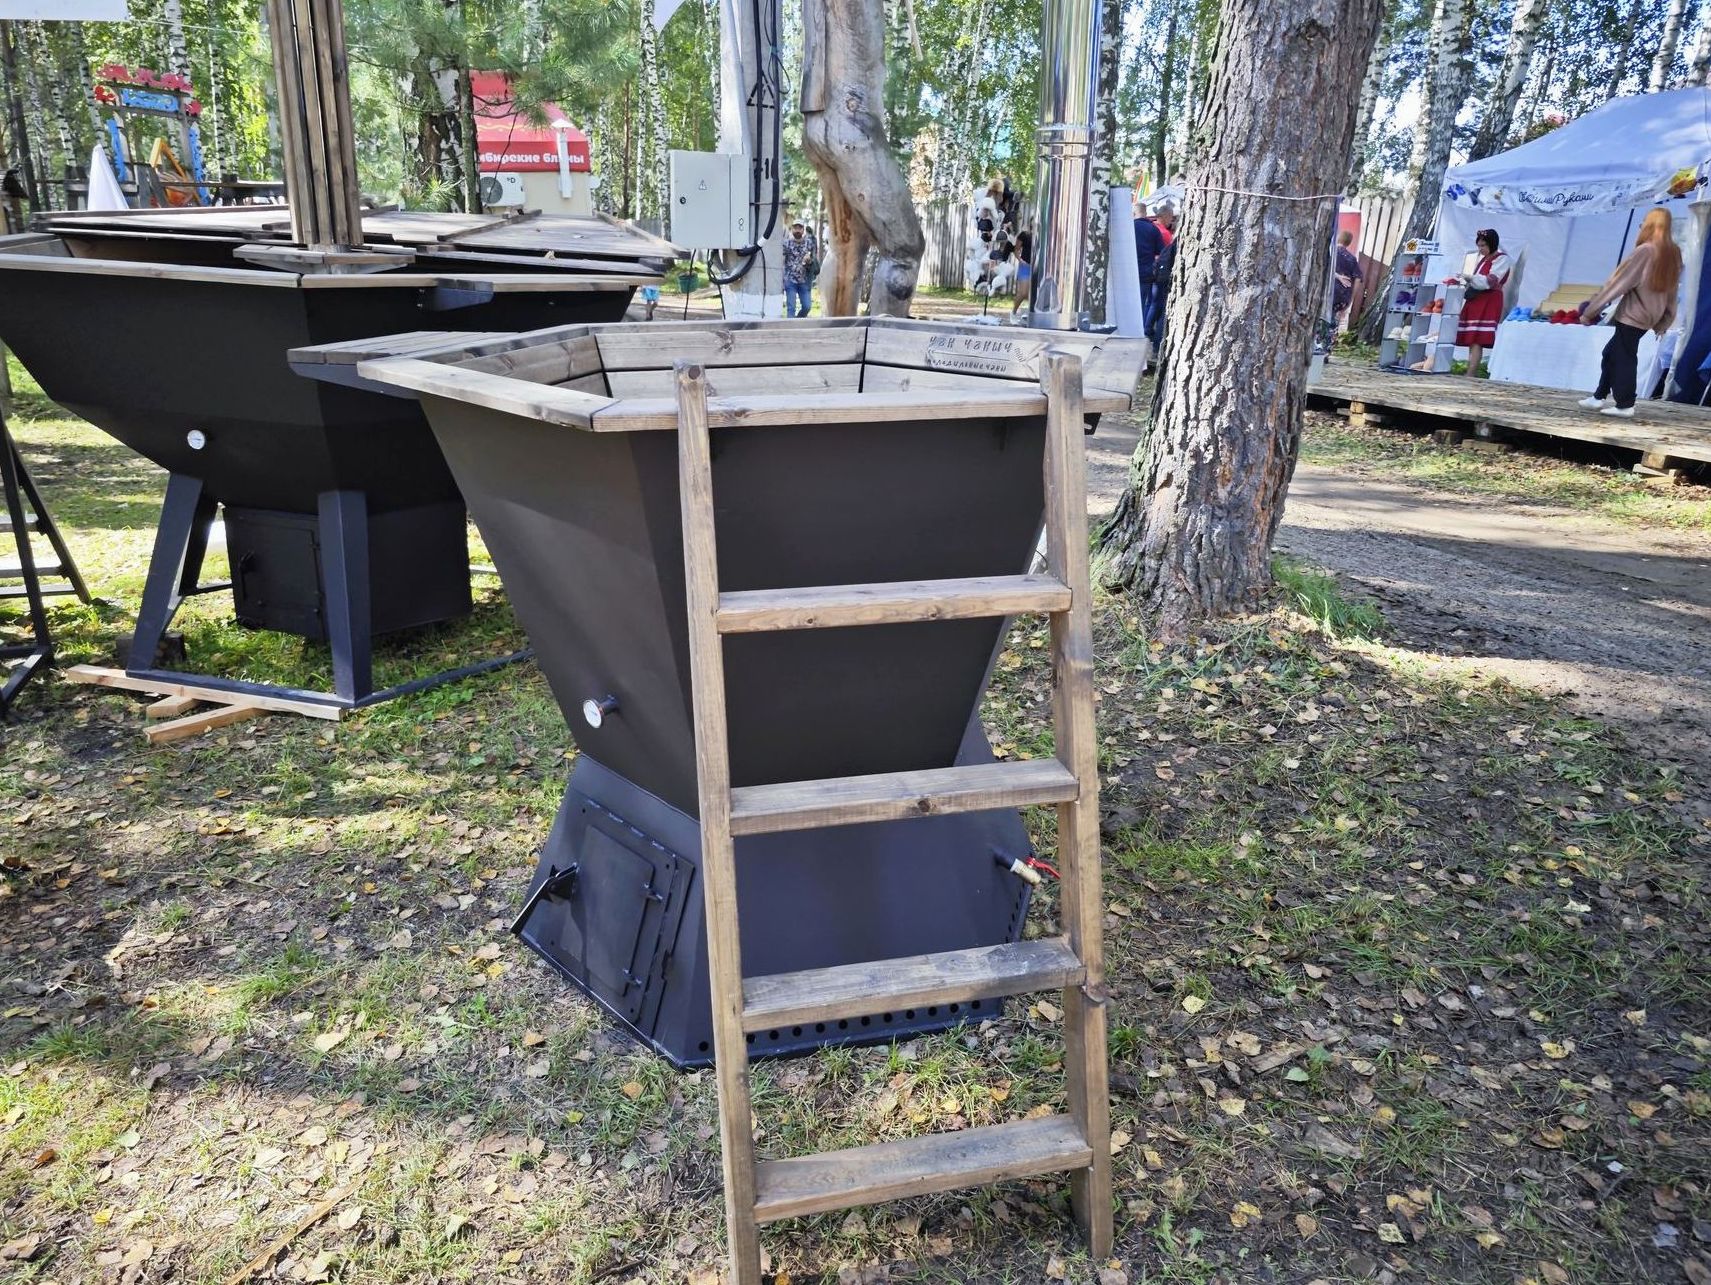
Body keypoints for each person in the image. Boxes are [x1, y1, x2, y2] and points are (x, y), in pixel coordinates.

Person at [1577, 208, 1683, 419]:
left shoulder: (1645, 251)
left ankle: (1625, 404)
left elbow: (1617, 284)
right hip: (1650, 316)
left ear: (1649, 225)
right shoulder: (1673, 253)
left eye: (1643, 222)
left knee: (1623, 357)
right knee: (1611, 352)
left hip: (1633, 315)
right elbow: (1672, 292)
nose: (1641, 226)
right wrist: (1664, 321)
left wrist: (1590, 311)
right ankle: (1599, 396)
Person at [1453, 228, 1511, 378]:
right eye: (1479, 246)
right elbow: (1477, 281)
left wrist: (1470, 278)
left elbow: (1489, 281)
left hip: (1489, 299)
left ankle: (1471, 373)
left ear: (1492, 244)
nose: (1481, 249)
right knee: (1472, 337)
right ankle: (1470, 371)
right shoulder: (1483, 260)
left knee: (1478, 337)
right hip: (1476, 299)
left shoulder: (1502, 259)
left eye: (1483, 245)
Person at [781, 220, 817, 318]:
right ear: (792, 229)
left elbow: (813, 261)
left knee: (807, 307)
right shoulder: (786, 244)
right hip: (790, 280)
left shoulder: (809, 243)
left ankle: (798, 321)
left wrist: (809, 261)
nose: (797, 230)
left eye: (799, 228)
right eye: (795, 228)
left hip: (804, 280)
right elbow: (780, 259)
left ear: (803, 230)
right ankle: (791, 326)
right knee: (791, 308)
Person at [1333, 229, 1362, 327]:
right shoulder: (1351, 259)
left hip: (1327, 293)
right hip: (1342, 296)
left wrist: (1336, 276)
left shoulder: (1331, 252)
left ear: (1338, 238)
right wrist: (1351, 299)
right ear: (1349, 242)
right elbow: (1358, 278)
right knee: (1335, 322)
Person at [1012, 227, 1034, 319]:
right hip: (1026, 266)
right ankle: (1013, 313)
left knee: (1033, 294)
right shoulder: (1024, 235)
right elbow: (1016, 249)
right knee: (1023, 292)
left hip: (1037, 267)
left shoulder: (1044, 235)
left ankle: (1030, 314)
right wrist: (1020, 260)